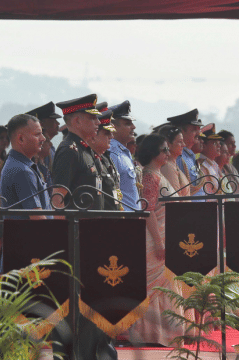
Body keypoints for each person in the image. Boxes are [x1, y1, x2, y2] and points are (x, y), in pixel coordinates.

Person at [51, 95, 116, 359]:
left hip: (94, 237)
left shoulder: (87, 150)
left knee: (93, 298)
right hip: (76, 237)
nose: (97, 121)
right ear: (76, 121)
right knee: (75, 302)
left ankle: (92, 349)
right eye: (91, 117)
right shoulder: (69, 151)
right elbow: (58, 200)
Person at [127, 133, 184, 346]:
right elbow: (147, 210)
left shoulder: (160, 174)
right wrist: (159, 242)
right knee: (155, 286)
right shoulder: (149, 176)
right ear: (153, 153)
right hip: (154, 238)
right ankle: (149, 334)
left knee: (167, 283)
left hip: (165, 236)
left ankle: (166, 334)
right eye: (164, 150)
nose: (168, 154)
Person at [0, 114, 49, 217]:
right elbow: (38, 218)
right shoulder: (23, 171)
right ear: (21, 139)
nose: (43, 138)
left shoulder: (18, 164)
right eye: (37, 134)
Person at [107, 100, 139, 210]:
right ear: (113, 126)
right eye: (128, 124)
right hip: (123, 219)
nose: (133, 127)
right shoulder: (112, 152)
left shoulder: (123, 151)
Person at [167, 109, 205, 196]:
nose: (198, 133)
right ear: (181, 131)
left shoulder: (190, 155)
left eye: (198, 129)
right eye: (194, 130)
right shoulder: (178, 156)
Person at [90, 110, 122, 210]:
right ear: (94, 136)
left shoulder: (105, 159)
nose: (111, 136)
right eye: (107, 133)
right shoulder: (91, 159)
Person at [25, 102, 61, 176]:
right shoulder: (36, 150)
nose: (58, 123)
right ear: (41, 124)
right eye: (54, 120)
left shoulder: (51, 149)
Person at [157, 125, 189, 197]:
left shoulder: (172, 164)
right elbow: (175, 199)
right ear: (168, 144)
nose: (184, 145)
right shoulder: (168, 166)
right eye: (180, 142)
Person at [197, 123, 224, 194]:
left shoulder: (214, 164)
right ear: (204, 145)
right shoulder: (201, 165)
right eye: (215, 143)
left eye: (219, 143)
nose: (219, 146)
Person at [217, 129, 239, 193]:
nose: (234, 146)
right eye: (230, 144)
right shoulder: (217, 167)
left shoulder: (231, 167)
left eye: (234, 143)